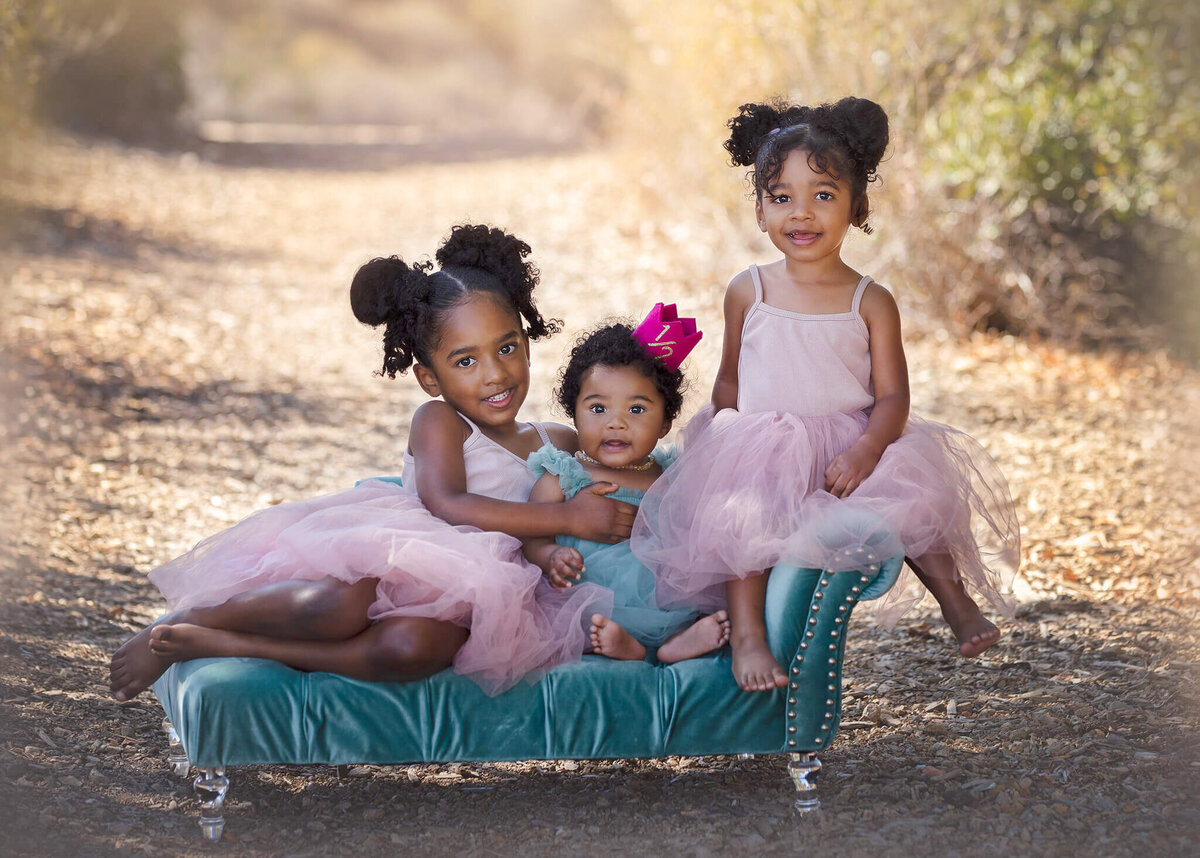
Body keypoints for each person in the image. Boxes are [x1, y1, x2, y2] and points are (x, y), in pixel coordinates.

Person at [108, 224, 631, 700]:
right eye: (465, 361)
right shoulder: (441, 422)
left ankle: (225, 645)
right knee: (333, 608)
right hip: (406, 556)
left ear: (527, 343)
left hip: (490, 593)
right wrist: (566, 518)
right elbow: (446, 503)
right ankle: (194, 618)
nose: (495, 374)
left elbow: (625, 460)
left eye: (508, 348)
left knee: (408, 650)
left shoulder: (556, 439)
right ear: (431, 379)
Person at [631, 97, 1021, 692]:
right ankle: (750, 638)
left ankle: (955, 602)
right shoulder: (748, 289)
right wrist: (723, 437)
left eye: (823, 194)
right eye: (781, 197)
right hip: (761, 446)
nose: (802, 213)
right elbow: (731, 377)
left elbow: (893, 398)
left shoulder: (870, 299)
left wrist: (868, 450)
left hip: (850, 439)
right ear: (760, 210)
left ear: (857, 205)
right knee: (742, 520)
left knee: (913, 500)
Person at [522, 317, 731, 663]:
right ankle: (631, 646)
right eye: (598, 408)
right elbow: (532, 533)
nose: (615, 422)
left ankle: (672, 644)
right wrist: (549, 556)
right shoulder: (564, 474)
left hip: (663, 596)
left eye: (636, 409)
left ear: (665, 422)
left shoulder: (670, 475)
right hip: (588, 593)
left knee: (692, 598)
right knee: (580, 619)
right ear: (574, 415)